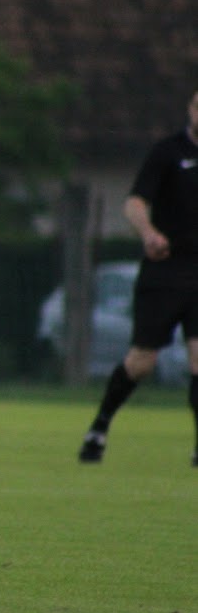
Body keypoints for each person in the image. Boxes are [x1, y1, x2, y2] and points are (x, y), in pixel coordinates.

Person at [78, 90, 198, 465]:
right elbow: (134, 203)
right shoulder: (168, 153)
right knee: (141, 361)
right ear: (190, 109)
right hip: (165, 271)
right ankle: (100, 426)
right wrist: (148, 233)